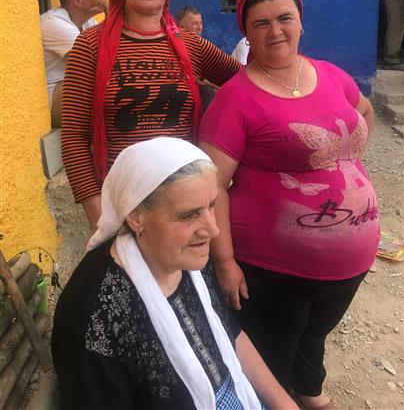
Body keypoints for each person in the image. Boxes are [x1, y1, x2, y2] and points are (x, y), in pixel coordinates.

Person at [199, 0, 380, 410]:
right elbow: (211, 186)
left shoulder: (331, 75)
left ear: (301, 21)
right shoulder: (236, 98)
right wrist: (224, 262)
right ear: (246, 32)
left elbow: (364, 112)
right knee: (270, 353)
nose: (275, 30)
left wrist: (346, 162)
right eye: (261, 23)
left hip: (349, 262)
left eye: (285, 18)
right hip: (273, 269)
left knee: (314, 334)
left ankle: (310, 392)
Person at [51, 137, 298, 410]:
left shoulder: (183, 256)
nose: (213, 230)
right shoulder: (96, 320)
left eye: (211, 206)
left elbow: (227, 331)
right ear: (135, 217)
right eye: (189, 215)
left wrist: (283, 403)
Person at [61, 0, 240, 234]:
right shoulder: (90, 46)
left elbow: (246, 86)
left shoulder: (191, 45)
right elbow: (74, 137)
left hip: (187, 207)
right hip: (122, 209)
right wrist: (98, 213)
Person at [40, 0, 108, 127]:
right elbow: (101, 63)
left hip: (71, 89)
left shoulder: (87, 22)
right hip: (52, 97)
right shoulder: (54, 23)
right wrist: (111, 13)